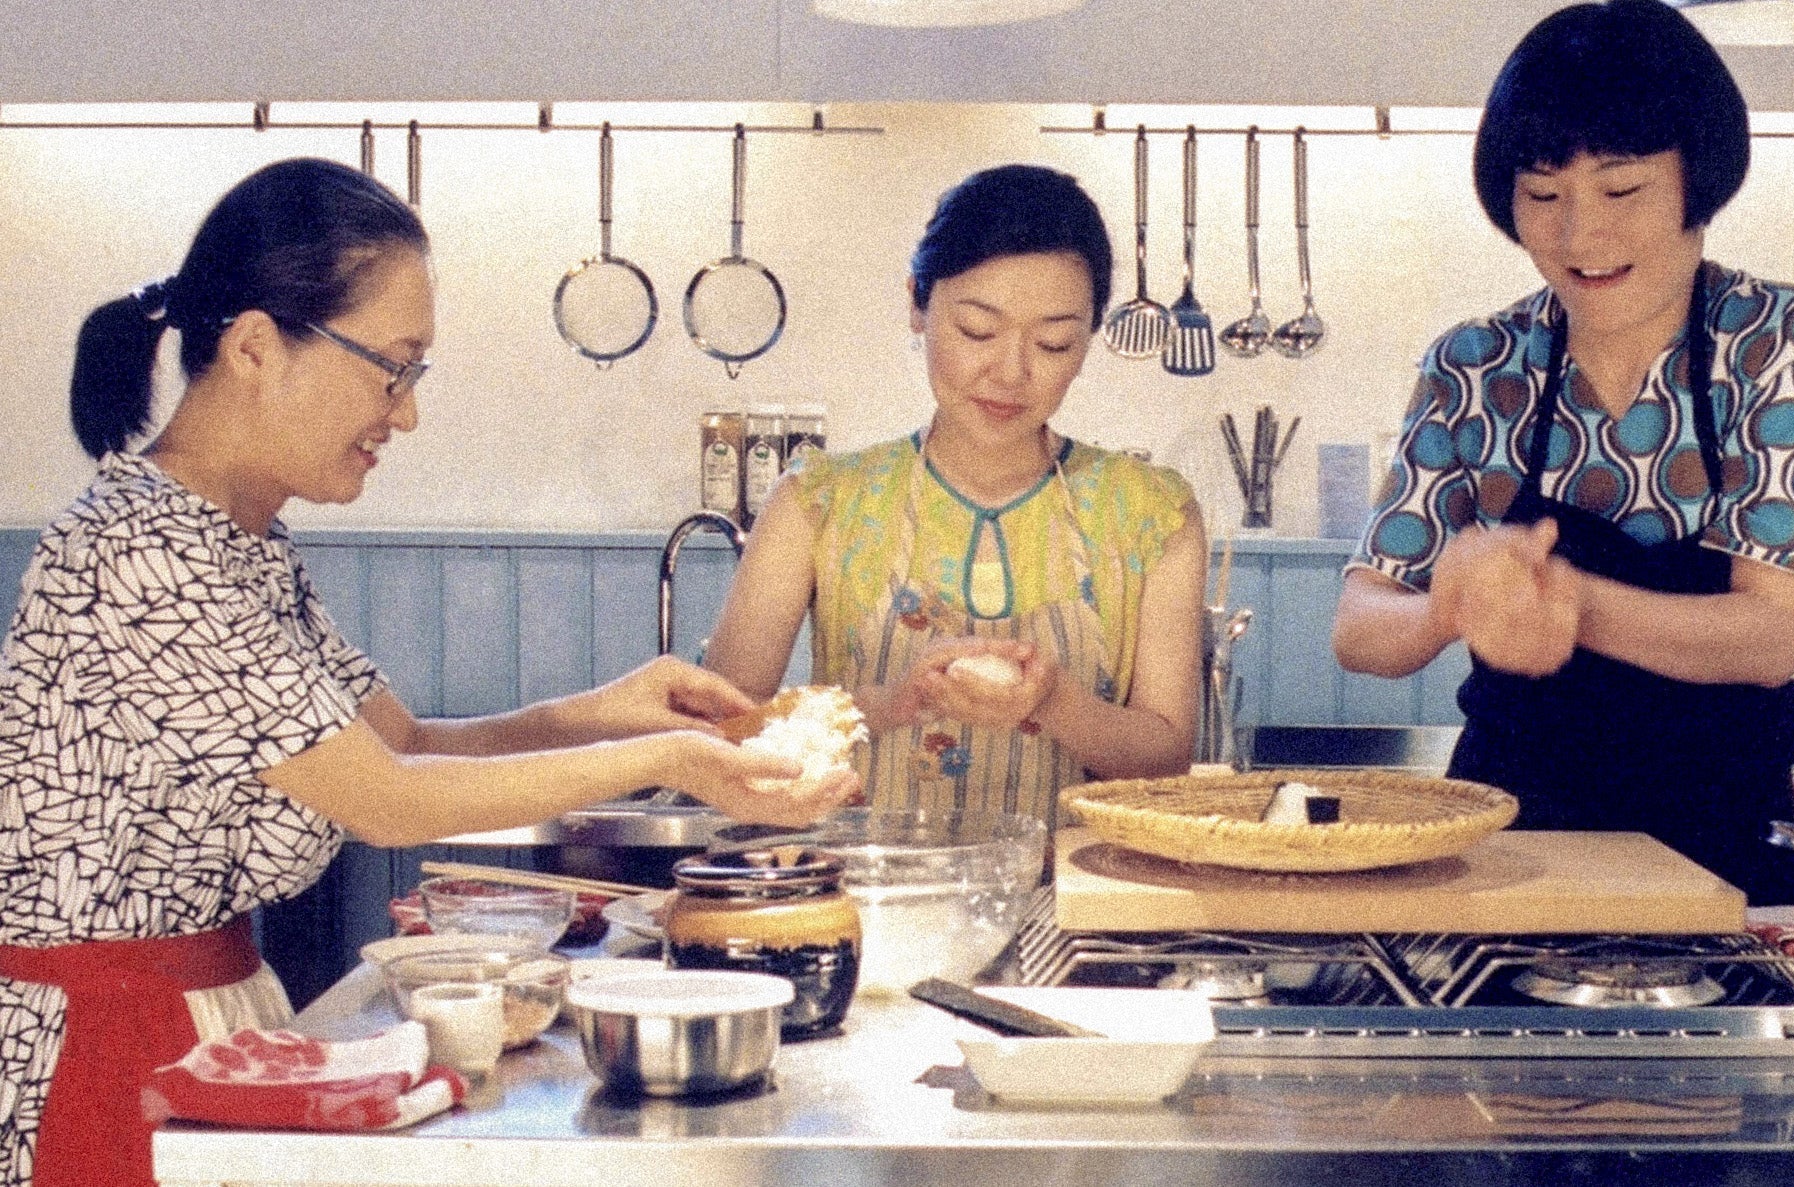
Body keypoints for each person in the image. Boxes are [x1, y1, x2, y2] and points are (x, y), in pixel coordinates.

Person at [0, 158, 851, 1187]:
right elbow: (388, 801)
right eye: (390, 368)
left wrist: (606, 711)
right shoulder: (140, 547)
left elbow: (398, 743)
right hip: (105, 1049)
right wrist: (666, 753)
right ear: (257, 346)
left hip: (204, 1014)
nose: (402, 413)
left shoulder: (240, 539)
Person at [1331, 0, 1794, 905]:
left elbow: (1771, 635)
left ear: (1698, 179)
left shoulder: (1773, 341)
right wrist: (1450, 604)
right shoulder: (1476, 365)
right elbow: (1361, 626)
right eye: (1543, 196)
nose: (1581, 237)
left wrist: (1560, 601)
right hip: (1510, 855)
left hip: (1722, 858)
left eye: (1621, 191)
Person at [704, 164, 1205, 829]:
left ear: (1087, 340)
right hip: (862, 906)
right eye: (977, 330)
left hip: (1074, 914)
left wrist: (1054, 701)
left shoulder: (1150, 512)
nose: (1011, 371)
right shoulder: (819, 503)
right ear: (917, 302)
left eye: (1054, 341)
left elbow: (1166, 756)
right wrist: (892, 702)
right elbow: (722, 729)